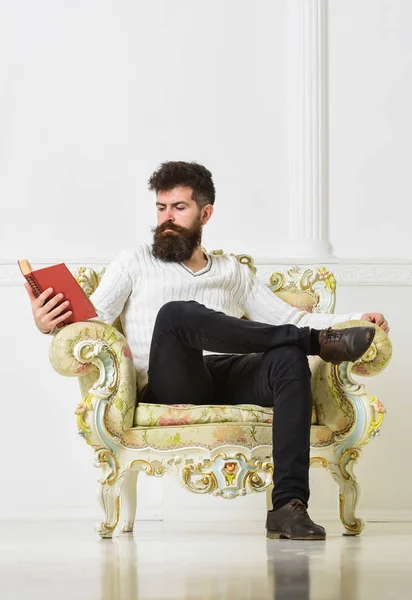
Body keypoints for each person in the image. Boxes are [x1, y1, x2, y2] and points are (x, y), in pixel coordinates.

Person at [25, 161, 390, 540]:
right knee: (177, 314)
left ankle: (287, 506)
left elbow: (289, 315)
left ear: (205, 213)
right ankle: (315, 342)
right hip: (172, 379)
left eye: (178, 208)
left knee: (288, 357)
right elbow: (94, 318)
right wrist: (48, 322)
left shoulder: (230, 271)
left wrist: (357, 318)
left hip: (229, 372)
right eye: (161, 208)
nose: (166, 218)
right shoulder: (135, 261)